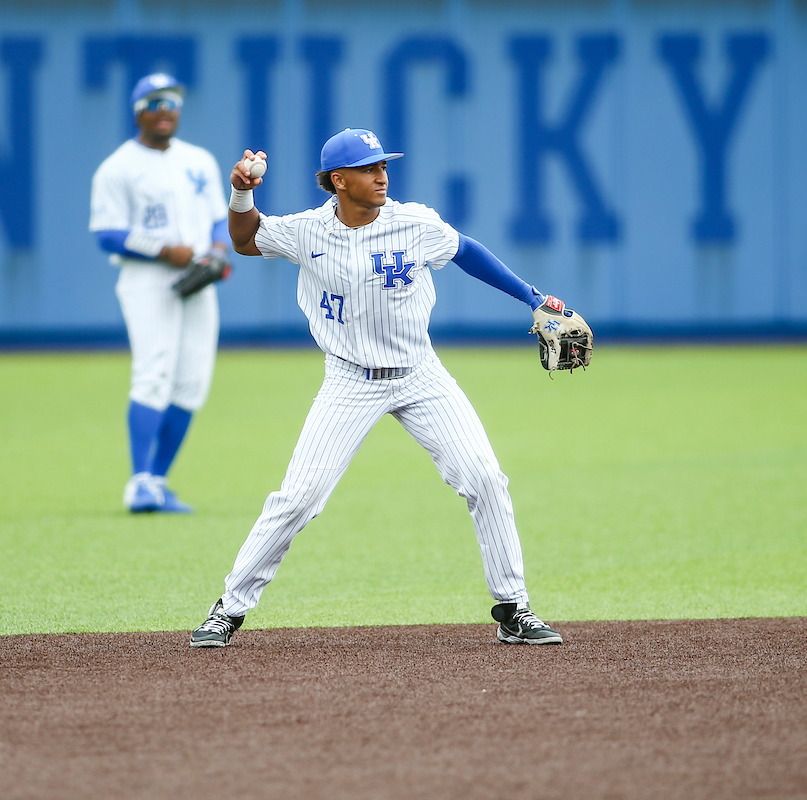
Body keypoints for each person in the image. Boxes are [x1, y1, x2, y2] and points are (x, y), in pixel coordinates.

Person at [191, 128, 576, 647]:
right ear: (338, 181)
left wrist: (532, 298)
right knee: (299, 498)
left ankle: (515, 608)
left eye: (384, 167)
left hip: (421, 374)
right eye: (370, 169)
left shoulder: (413, 221)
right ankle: (228, 608)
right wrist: (242, 192)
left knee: (485, 479)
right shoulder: (307, 231)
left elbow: (467, 251)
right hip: (348, 380)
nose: (382, 177)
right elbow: (244, 239)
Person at [89, 74, 230, 514]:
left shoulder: (198, 160)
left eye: (171, 102)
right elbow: (107, 234)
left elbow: (216, 218)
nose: (165, 110)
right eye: (154, 103)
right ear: (138, 112)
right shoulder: (117, 167)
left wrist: (219, 249)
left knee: (192, 383)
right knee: (154, 374)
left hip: (197, 276)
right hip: (147, 279)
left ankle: (158, 479)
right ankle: (138, 482)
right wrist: (165, 249)